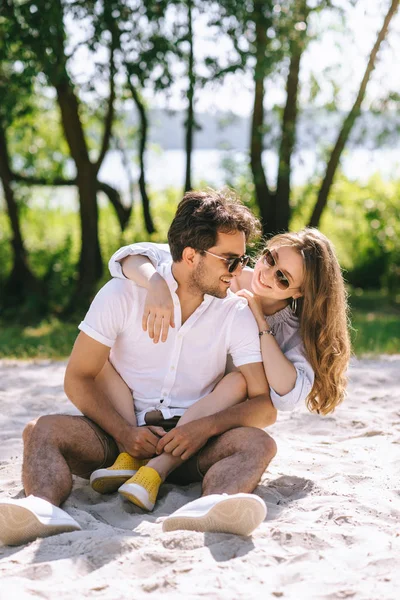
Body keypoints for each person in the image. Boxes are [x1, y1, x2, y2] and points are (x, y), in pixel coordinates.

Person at [0, 189, 278, 546]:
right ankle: (41, 508)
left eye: (242, 260)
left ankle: (212, 504)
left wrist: (204, 428)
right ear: (191, 255)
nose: (240, 272)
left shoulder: (235, 312)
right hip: (116, 441)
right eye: (230, 261)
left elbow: (264, 405)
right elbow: (78, 377)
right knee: (41, 430)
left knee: (259, 444)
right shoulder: (120, 295)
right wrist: (122, 432)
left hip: (193, 447)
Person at [89, 227, 350, 506]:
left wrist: (261, 323)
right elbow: (134, 255)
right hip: (179, 383)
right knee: (101, 355)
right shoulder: (229, 271)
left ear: (300, 292)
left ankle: (157, 469)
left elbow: (288, 396)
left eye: (283, 278)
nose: (267, 273)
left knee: (238, 381)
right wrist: (155, 283)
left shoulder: (290, 328)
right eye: (270, 258)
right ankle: (130, 453)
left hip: (215, 407)